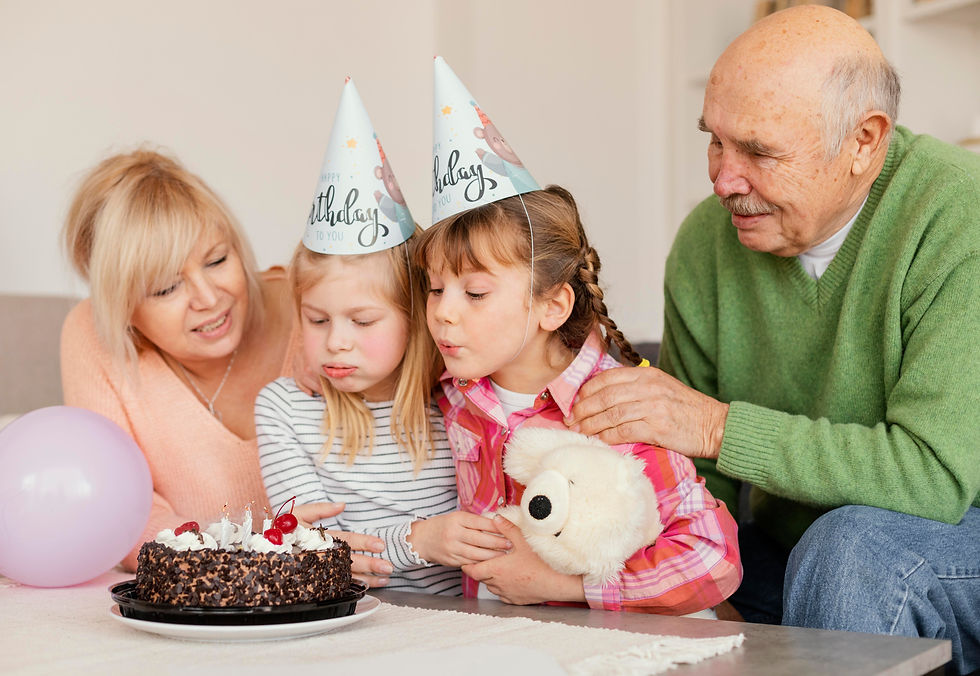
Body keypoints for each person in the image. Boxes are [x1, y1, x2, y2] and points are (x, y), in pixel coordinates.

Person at [568, 5, 980, 672]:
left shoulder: (960, 217)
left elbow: (932, 479)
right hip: (791, 546)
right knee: (621, 564)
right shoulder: (706, 244)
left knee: (848, 550)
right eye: (715, 140)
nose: (723, 179)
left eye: (759, 151)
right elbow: (696, 482)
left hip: (955, 533)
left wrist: (718, 429)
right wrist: (692, 577)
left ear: (864, 142)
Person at [60, 149, 394, 583]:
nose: (209, 298)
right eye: (166, 288)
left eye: (217, 260)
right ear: (119, 307)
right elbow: (118, 510)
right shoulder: (94, 334)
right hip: (225, 602)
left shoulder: (320, 307)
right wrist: (248, 564)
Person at [418, 185, 742, 612]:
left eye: (475, 293)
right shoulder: (452, 392)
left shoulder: (617, 410)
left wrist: (563, 585)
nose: (443, 311)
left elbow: (713, 559)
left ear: (553, 307)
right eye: (436, 288)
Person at [256, 236, 509, 594]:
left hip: (464, 623)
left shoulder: (464, 396)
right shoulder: (286, 407)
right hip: (350, 620)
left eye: (362, 321)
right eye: (317, 319)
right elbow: (315, 553)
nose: (335, 342)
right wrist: (417, 541)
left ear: (417, 315)